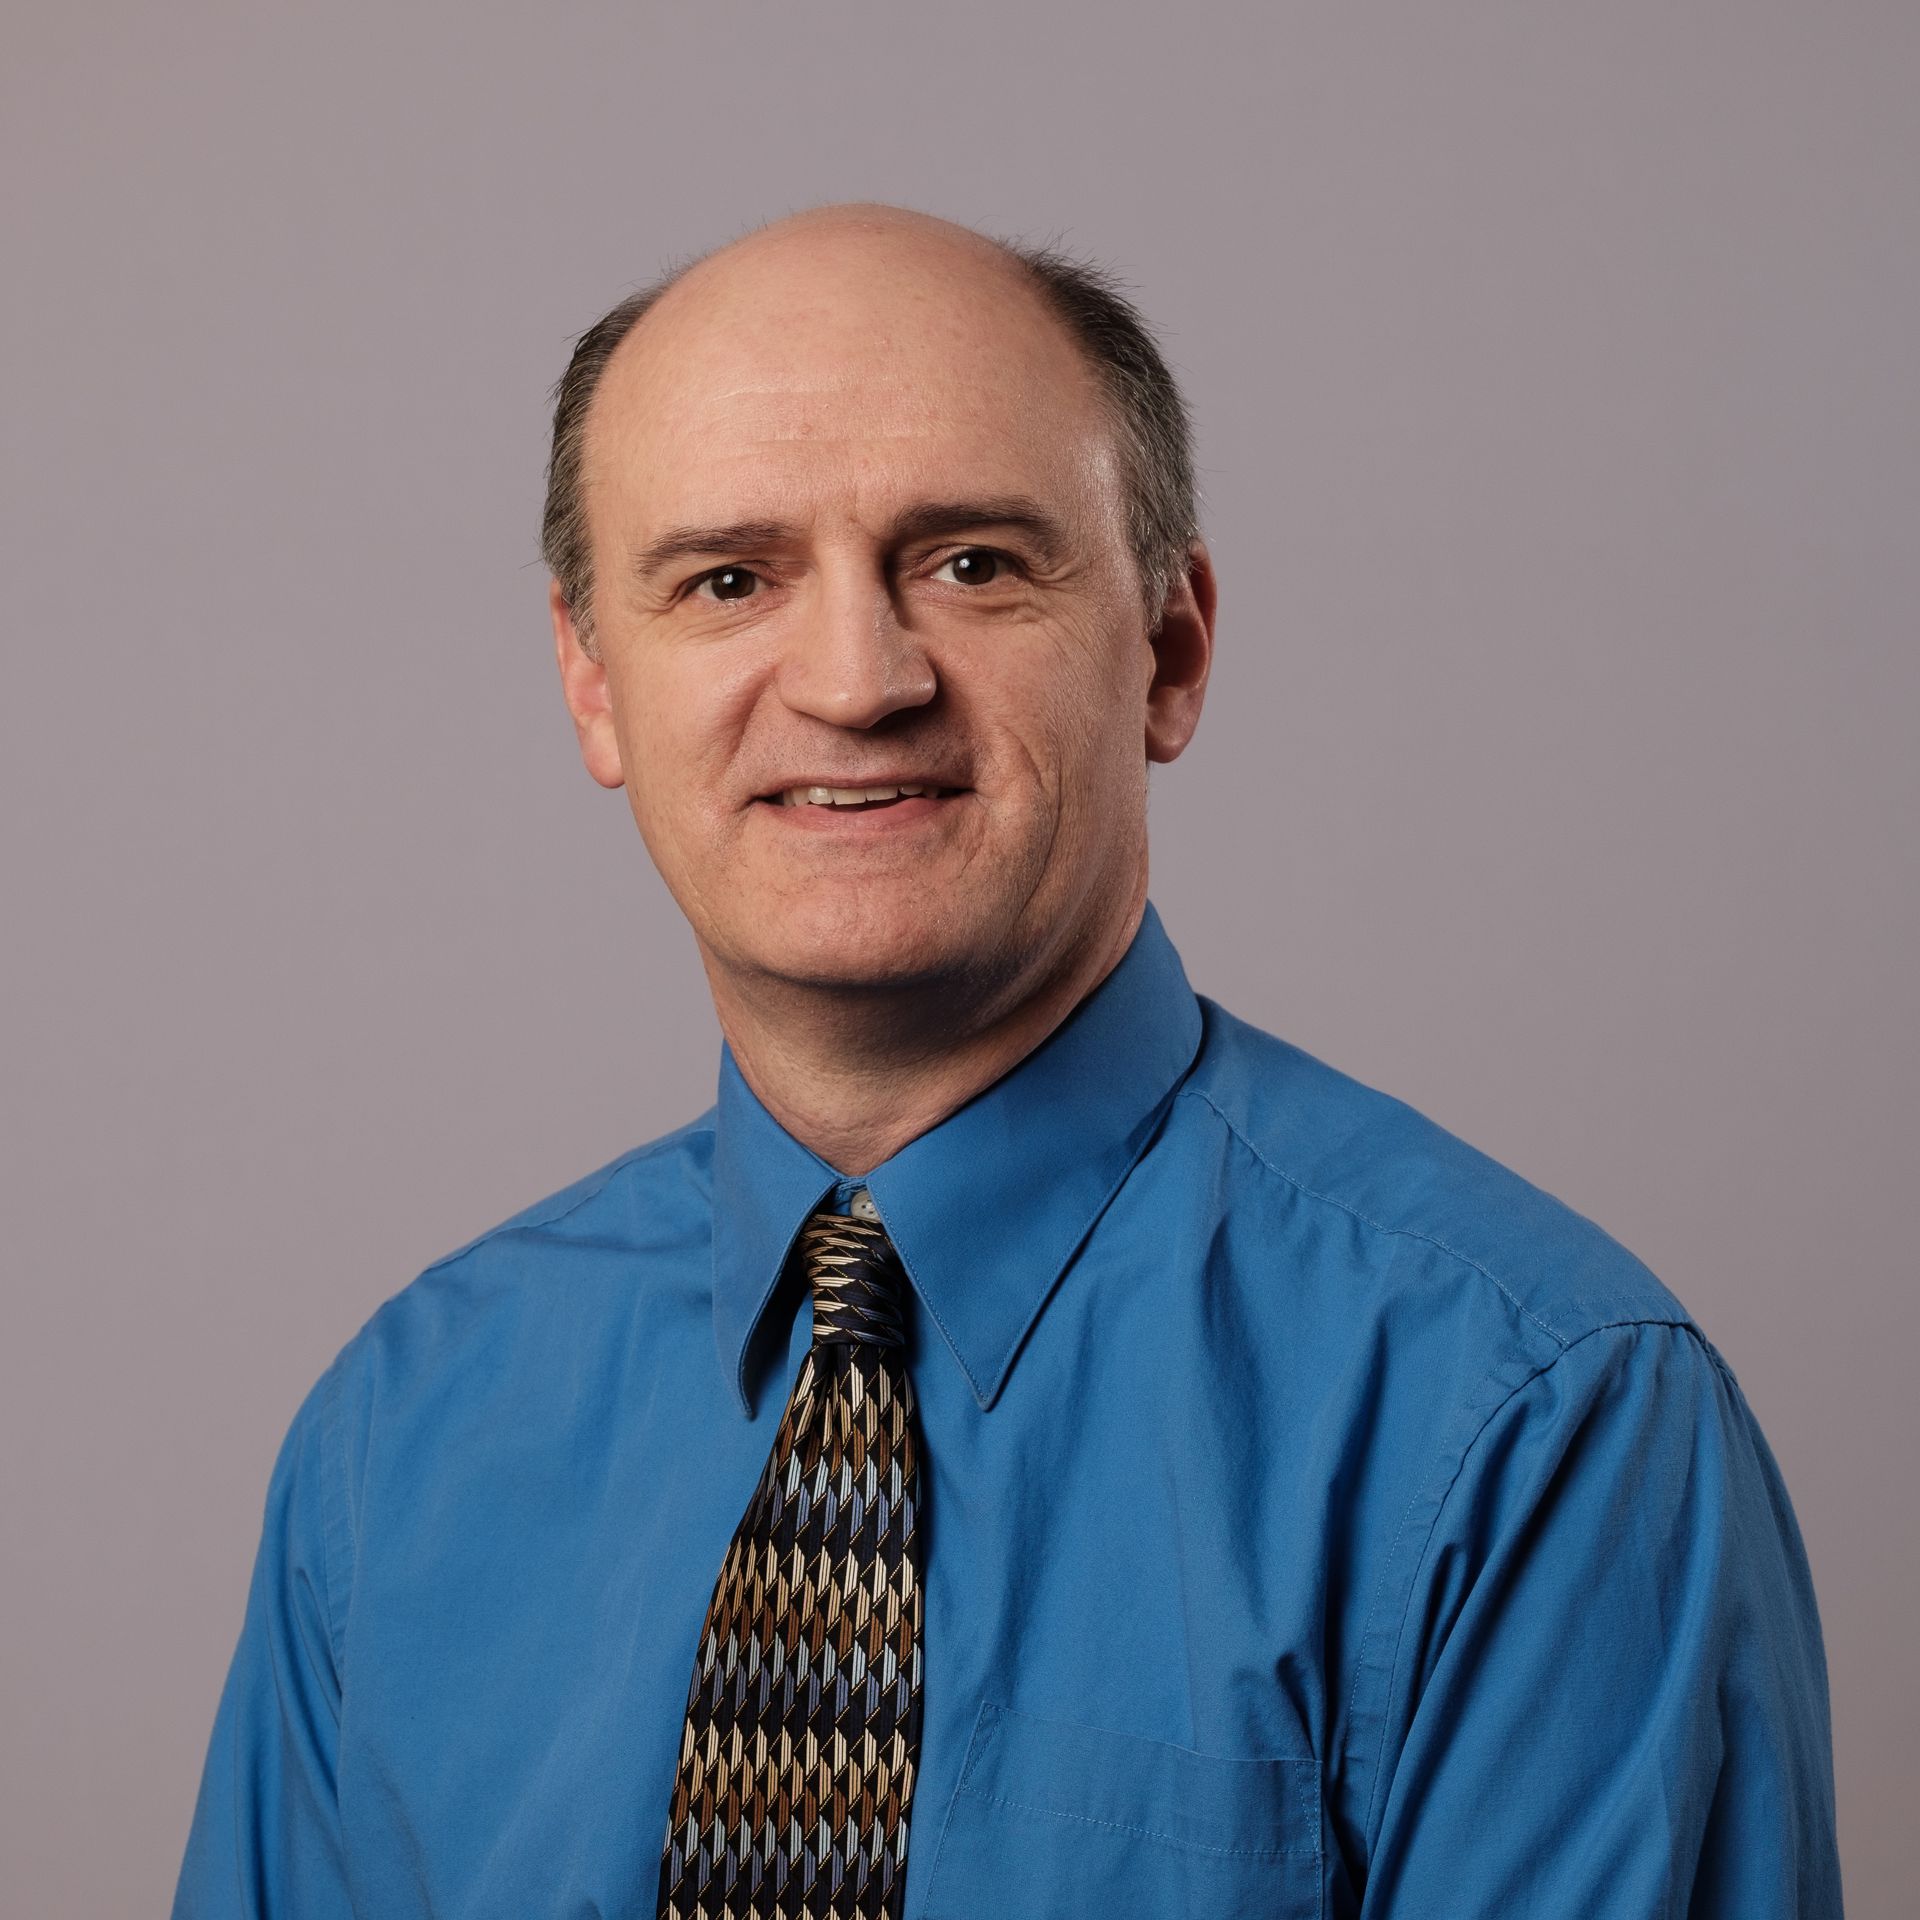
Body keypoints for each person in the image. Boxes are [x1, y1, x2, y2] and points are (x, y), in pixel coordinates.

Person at [171, 203, 1843, 1918]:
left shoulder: (1535, 1423)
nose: (855, 680)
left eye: (972, 562)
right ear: (595, 682)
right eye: (729, 580)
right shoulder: (402, 1440)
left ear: (1169, 651)